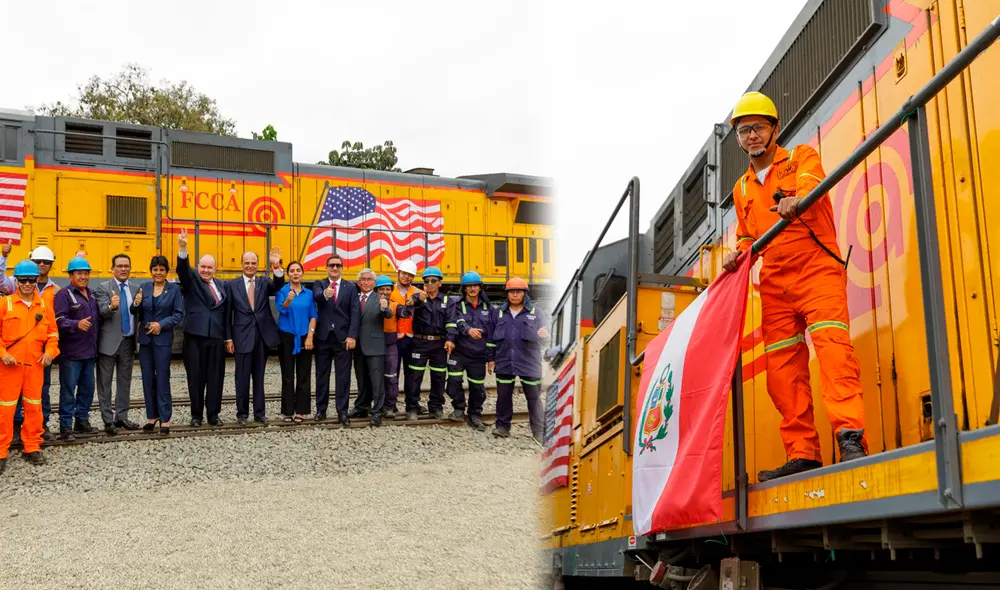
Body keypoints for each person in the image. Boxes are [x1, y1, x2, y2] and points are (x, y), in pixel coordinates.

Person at [722, 91, 867, 482]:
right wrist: (736, 253)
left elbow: (812, 184)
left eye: (758, 128)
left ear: (775, 129)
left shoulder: (801, 156)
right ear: (738, 138)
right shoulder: (741, 189)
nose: (751, 136)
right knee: (783, 372)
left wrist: (797, 200)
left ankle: (850, 437)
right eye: (744, 130)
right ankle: (803, 452)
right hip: (775, 282)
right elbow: (745, 235)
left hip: (816, 268)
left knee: (834, 352)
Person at [0, 260, 59, 474]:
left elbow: (53, 334)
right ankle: (1, 451)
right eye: (23, 279)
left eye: (31, 280)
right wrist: (3, 354)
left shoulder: (44, 307)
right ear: (16, 280)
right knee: (5, 410)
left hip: (35, 367)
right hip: (9, 368)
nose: (26, 283)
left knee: (34, 408)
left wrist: (50, 353)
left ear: (36, 281)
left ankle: (32, 446)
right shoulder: (5, 304)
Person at [225, 247, 285, 424]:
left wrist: (276, 266)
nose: (250, 266)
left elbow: (279, 286)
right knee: (241, 378)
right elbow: (228, 314)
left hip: (261, 337)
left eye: (253, 263)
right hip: (241, 337)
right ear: (241, 265)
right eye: (247, 263)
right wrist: (228, 338)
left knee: (259, 377)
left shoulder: (264, 282)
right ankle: (242, 415)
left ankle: (260, 413)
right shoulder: (232, 285)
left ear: (258, 265)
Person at [175, 228, 227, 428]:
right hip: (194, 337)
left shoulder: (222, 286)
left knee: (215, 378)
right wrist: (183, 248)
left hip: (216, 338)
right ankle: (196, 415)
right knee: (195, 378)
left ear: (215, 269)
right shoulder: (191, 281)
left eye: (209, 267)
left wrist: (227, 338)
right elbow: (182, 271)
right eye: (203, 267)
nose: (206, 270)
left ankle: (213, 415)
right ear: (198, 267)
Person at [487, 277, 549, 442]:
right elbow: (491, 339)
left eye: (518, 292)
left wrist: (545, 335)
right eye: (511, 292)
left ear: (524, 294)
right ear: (507, 294)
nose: (514, 295)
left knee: (534, 398)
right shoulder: (498, 312)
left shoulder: (537, 313)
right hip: (504, 360)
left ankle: (539, 432)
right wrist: (491, 359)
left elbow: (547, 339)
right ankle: (502, 427)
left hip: (529, 362)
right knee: (503, 397)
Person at [132, 255, 184, 435]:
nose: (158, 273)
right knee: (147, 379)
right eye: (155, 269)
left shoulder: (174, 290)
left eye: (162, 269)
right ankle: (152, 416)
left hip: (163, 340)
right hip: (145, 341)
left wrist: (161, 324)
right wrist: (135, 304)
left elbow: (178, 314)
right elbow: (135, 311)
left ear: (166, 271)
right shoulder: (144, 287)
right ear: (151, 271)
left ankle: (166, 418)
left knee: (162, 378)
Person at [11, 244, 58, 444]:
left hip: (40, 354)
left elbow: (53, 327)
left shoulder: (55, 291)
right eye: (37, 261)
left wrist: (51, 351)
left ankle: (40, 426)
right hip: (15, 355)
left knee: (41, 392)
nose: (41, 265)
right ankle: (15, 426)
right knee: (13, 395)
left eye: (45, 262)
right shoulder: (12, 294)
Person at [53, 256, 100, 441]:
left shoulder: (92, 294)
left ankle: (82, 420)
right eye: (79, 273)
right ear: (71, 275)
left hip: (89, 352)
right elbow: (58, 320)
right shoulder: (63, 295)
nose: (83, 276)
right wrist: (76, 324)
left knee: (87, 389)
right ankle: (65, 426)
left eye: (86, 273)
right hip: (71, 353)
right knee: (68, 390)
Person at [94, 253, 141, 435]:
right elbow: (102, 312)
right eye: (120, 266)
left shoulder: (136, 288)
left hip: (128, 342)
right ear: (112, 268)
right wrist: (111, 306)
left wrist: (138, 306)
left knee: (125, 381)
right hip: (108, 343)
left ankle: (121, 417)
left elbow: (137, 312)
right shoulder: (103, 288)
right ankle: (107, 420)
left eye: (126, 266)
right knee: (104, 383)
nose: (123, 269)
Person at [312, 253, 360, 424]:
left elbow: (355, 312)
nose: (334, 268)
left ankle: (342, 411)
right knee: (321, 375)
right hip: (323, 338)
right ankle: (321, 410)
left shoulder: (351, 287)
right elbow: (316, 296)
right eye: (331, 265)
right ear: (326, 267)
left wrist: (352, 335)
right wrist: (325, 294)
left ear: (342, 268)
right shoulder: (320, 284)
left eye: (338, 265)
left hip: (343, 338)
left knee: (343, 377)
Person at [445, 270, 492, 431]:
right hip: (459, 352)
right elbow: (454, 322)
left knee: (477, 388)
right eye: (469, 286)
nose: (472, 288)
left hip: (478, 355)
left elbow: (493, 331)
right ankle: (458, 409)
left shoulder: (489, 307)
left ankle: (474, 415)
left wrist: (492, 357)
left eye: (475, 285)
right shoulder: (456, 305)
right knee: (453, 382)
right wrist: (465, 331)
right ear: (464, 289)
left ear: (480, 288)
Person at [403, 266, 450, 420]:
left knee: (438, 377)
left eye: (433, 281)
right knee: (414, 376)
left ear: (440, 283)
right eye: (426, 281)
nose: (429, 283)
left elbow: (451, 322)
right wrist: (416, 299)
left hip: (439, 344)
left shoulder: (446, 300)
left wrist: (450, 340)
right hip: (420, 343)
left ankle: (436, 407)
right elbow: (409, 305)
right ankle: (412, 408)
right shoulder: (419, 298)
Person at [348, 269, 393, 427]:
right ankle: (362, 407)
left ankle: (377, 412)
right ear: (359, 283)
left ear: (374, 283)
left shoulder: (380, 298)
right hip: (357, 345)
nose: (366, 282)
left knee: (376, 381)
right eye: (363, 279)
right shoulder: (353, 298)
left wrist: (384, 307)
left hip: (375, 346)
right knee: (361, 379)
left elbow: (387, 314)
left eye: (369, 279)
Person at [276, 261, 317, 423]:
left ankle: (301, 411)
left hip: (305, 336)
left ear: (302, 273)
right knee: (287, 375)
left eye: (298, 270)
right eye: (292, 271)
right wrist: (288, 300)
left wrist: (310, 336)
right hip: (287, 337)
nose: (295, 273)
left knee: (304, 374)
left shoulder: (309, 293)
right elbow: (282, 309)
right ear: (288, 274)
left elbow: (313, 315)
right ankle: (287, 411)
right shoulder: (282, 291)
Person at [375, 274, 411, 419]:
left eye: (388, 289)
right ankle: (377, 404)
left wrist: (410, 306)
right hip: (374, 345)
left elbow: (404, 313)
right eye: (381, 289)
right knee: (375, 377)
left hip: (390, 345)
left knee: (390, 376)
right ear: (376, 290)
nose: (385, 292)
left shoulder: (395, 305)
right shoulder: (371, 305)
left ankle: (390, 406)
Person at [389, 260, 419, 414]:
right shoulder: (389, 290)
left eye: (410, 275)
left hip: (411, 339)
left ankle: (412, 405)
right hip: (393, 338)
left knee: (411, 374)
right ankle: (391, 404)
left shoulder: (417, 292)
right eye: (404, 273)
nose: (406, 277)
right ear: (398, 273)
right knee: (392, 373)